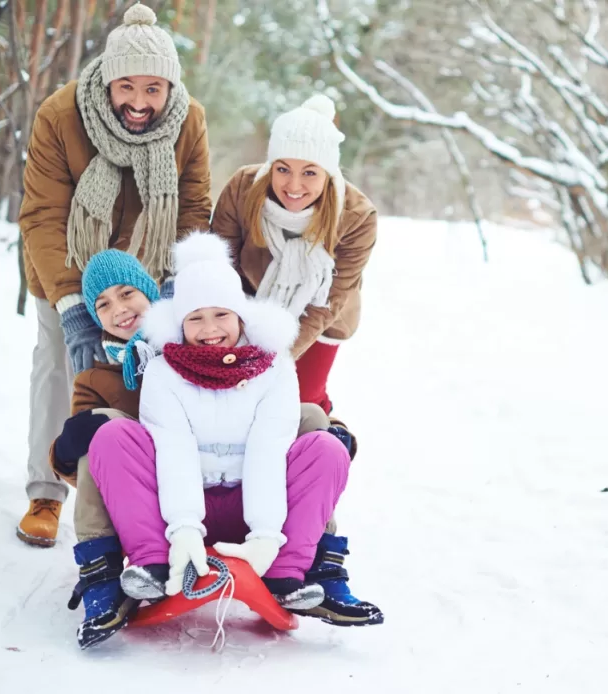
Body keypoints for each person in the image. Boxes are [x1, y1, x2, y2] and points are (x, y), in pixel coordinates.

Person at [49, 248, 346, 648]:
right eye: (103, 305)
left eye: (126, 294)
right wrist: (67, 449)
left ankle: (313, 565)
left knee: (315, 423)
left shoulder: (255, 357)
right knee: (106, 430)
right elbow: (94, 469)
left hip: (244, 486)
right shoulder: (98, 376)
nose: (119, 309)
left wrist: (334, 434)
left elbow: (277, 435)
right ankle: (109, 574)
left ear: (151, 296)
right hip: (154, 499)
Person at [17, 2, 212, 548]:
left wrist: (175, 285)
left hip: (149, 271)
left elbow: (194, 206)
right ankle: (45, 491)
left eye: (154, 90)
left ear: (170, 88)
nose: (139, 102)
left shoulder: (188, 119)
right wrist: (73, 306)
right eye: (128, 87)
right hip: (69, 266)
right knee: (61, 362)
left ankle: (141, 495)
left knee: (151, 377)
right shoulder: (61, 114)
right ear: (107, 80)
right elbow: (42, 215)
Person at [209, 94, 383, 626]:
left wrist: (273, 358)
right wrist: (232, 347)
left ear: (328, 174)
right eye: (282, 168)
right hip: (243, 308)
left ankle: (322, 558)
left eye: (310, 172)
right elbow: (218, 270)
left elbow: (326, 302)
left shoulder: (355, 215)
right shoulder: (243, 187)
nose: (293, 184)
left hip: (316, 322)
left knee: (303, 413)